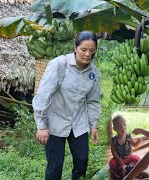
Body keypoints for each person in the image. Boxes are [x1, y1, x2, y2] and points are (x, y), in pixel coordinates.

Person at [32, 31, 101, 180]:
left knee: (82, 160)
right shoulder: (59, 65)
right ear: (75, 47)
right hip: (56, 121)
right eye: (83, 49)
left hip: (78, 122)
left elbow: (93, 101)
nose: (87, 54)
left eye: (92, 51)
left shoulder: (94, 73)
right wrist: (42, 126)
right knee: (55, 165)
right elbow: (43, 95)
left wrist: (93, 124)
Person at [109, 115, 142, 179]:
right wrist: (120, 162)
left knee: (137, 158)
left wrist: (138, 142)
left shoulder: (129, 136)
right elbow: (113, 152)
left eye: (124, 125)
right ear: (114, 129)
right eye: (120, 126)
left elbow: (134, 145)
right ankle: (123, 169)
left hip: (129, 158)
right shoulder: (113, 140)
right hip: (119, 160)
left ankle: (128, 168)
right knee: (111, 163)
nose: (123, 127)